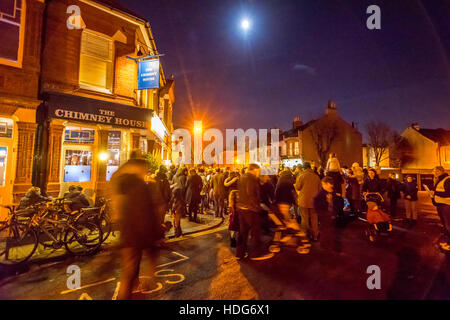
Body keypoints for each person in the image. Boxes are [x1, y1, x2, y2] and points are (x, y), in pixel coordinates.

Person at [110, 158, 165, 300]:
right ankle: (130, 292)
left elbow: (119, 212)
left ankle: (135, 288)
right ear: (138, 168)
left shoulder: (120, 185)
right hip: (140, 235)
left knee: (130, 272)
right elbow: (145, 212)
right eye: (144, 169)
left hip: (127, 234)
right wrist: (156, 234)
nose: (146, 172)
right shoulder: (139, 186)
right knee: (130, 273)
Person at [236, 164, 273, 260]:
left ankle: (240, 253)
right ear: (255, 170)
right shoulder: (251, 179)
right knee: (256, 231)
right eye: (258, 171)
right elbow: (251, 193)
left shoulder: (242, 177)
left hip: (241, 207)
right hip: (251, 209)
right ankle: (256, 254)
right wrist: (257, 206)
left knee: (243, 232)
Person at [295, 162, 321, 241]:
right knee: (314, 219)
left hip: (303, 201)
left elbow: (298, 187)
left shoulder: (301, 176)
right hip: (314, 202)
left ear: (304, 168)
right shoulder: (316, 177)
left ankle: (305, 236)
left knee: (304, 219)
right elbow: (320, 190)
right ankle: (315, 236)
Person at [431, 166, 450, 251]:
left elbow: (447, 193)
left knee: (449, 225)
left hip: (447, 206)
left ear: (440, 171)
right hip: (441, 206)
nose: (434, 173)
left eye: (435, 171)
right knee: (446, 226)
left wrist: (436, 194)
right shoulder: (439, 180)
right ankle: (448, 241)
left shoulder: (447, 179)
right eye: (433, 171)